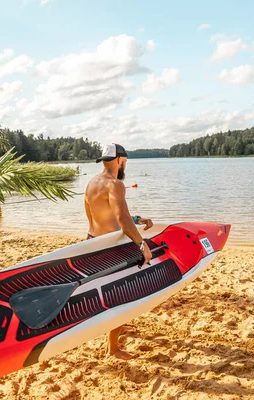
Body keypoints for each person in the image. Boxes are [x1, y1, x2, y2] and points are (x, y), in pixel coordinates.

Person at [84, 143, 154, 360]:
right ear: (119, 160)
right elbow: (121, 220)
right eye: (125, 161)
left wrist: (137, 220)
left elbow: (104, 215)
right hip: (110, 247)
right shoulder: (115, 184)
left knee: (112, 292)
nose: (125, 165)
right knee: (121, 295)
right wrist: (142, 244)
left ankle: (118, 327)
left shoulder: (92, 183)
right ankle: (112, 349)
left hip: (93, 242)